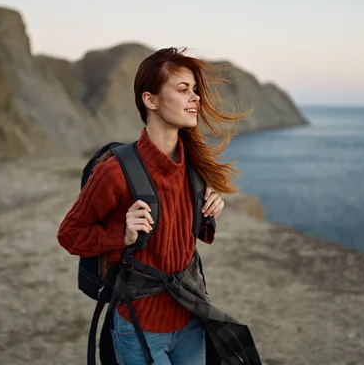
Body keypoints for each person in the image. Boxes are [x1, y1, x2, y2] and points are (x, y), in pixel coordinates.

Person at [57, 47, 259, 364]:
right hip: (139, 328)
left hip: (191, 317)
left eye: (195, 90)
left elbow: (186, 237)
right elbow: (70, 234)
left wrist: (209, 210)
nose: (195, 98)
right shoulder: (114, 173)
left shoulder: (193, 167)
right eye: (183, 90)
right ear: (150, 100)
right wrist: (120, 234)